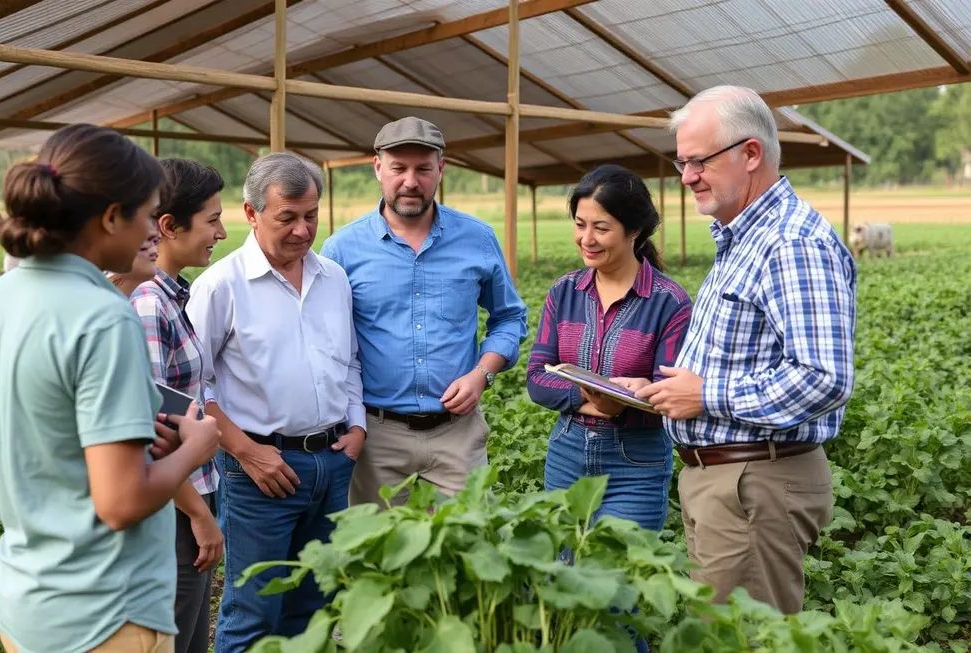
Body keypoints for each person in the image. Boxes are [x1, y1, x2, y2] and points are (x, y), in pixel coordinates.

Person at [622, 86, 857, 615]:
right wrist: (663, 390)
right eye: (682, 162)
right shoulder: (743, 237)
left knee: (745, 639)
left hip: (756, 482)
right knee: (724, 631)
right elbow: (742, 357)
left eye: (699, 161)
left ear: (750, 154)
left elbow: (824, 377)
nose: (686, 177)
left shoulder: (790, 243)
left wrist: (706, 395)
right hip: (732, 480)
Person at [0, 123, 221, 653]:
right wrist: (195, 449)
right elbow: (120, 501)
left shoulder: (4, 297)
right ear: (111, 217)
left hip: (26, 593)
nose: (151, 231)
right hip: (106, 609)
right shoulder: (101, 317)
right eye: (146, 213)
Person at [185, 151, 366, 653]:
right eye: (287, 217)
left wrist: (356, 428)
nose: (303, 230)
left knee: (312, 606)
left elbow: (349, 360)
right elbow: (194, 388)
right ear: (250, 213)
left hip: (331, 463)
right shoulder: (219, 287)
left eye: (311, 215)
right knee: (253, 610)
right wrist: (246, 451)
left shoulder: (333, 278)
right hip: (260, 470)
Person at [320, 116, 528, 507]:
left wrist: (482, 373)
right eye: (398, 168)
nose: (411, 181)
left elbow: (509, 316)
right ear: (378, 167)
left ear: (441, 169)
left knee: (465, 552)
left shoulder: (477, 238)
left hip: (457, 434)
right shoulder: (341, 250)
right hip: (376, 435)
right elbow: (325, 343)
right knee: (378, 556)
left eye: (423, 169)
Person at [526, 165, 692, 533]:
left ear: (634, 231)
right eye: (580, 224)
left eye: (601, 228)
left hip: (636, 461)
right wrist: (598, 402)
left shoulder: (669, 302)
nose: (587, 238)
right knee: (561, 574)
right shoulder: (563, 292)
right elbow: (536, 377)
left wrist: (628, 402)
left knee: (619, 578)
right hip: (566, 452)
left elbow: (671, 395)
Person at [130, 158, 229, 653]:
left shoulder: (174, 297)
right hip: (175, 506)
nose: (222, 231)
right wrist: (198, 515)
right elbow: (147, 429)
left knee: (190, 636)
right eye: (212, 220)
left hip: (189, 494)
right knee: (176, 640)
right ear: (169, 226)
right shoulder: (150, 304)